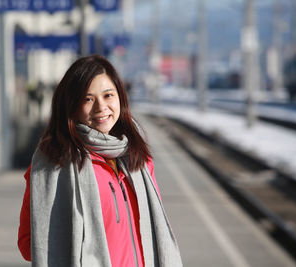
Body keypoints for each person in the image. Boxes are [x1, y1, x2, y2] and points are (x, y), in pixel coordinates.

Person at [17, 55, 182, 267]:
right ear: (71, 106)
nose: (101, 107)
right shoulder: (54, 165)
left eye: (108, 95)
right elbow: (29, 244)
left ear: (120, 97)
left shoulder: (137, 158)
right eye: (88, 99)